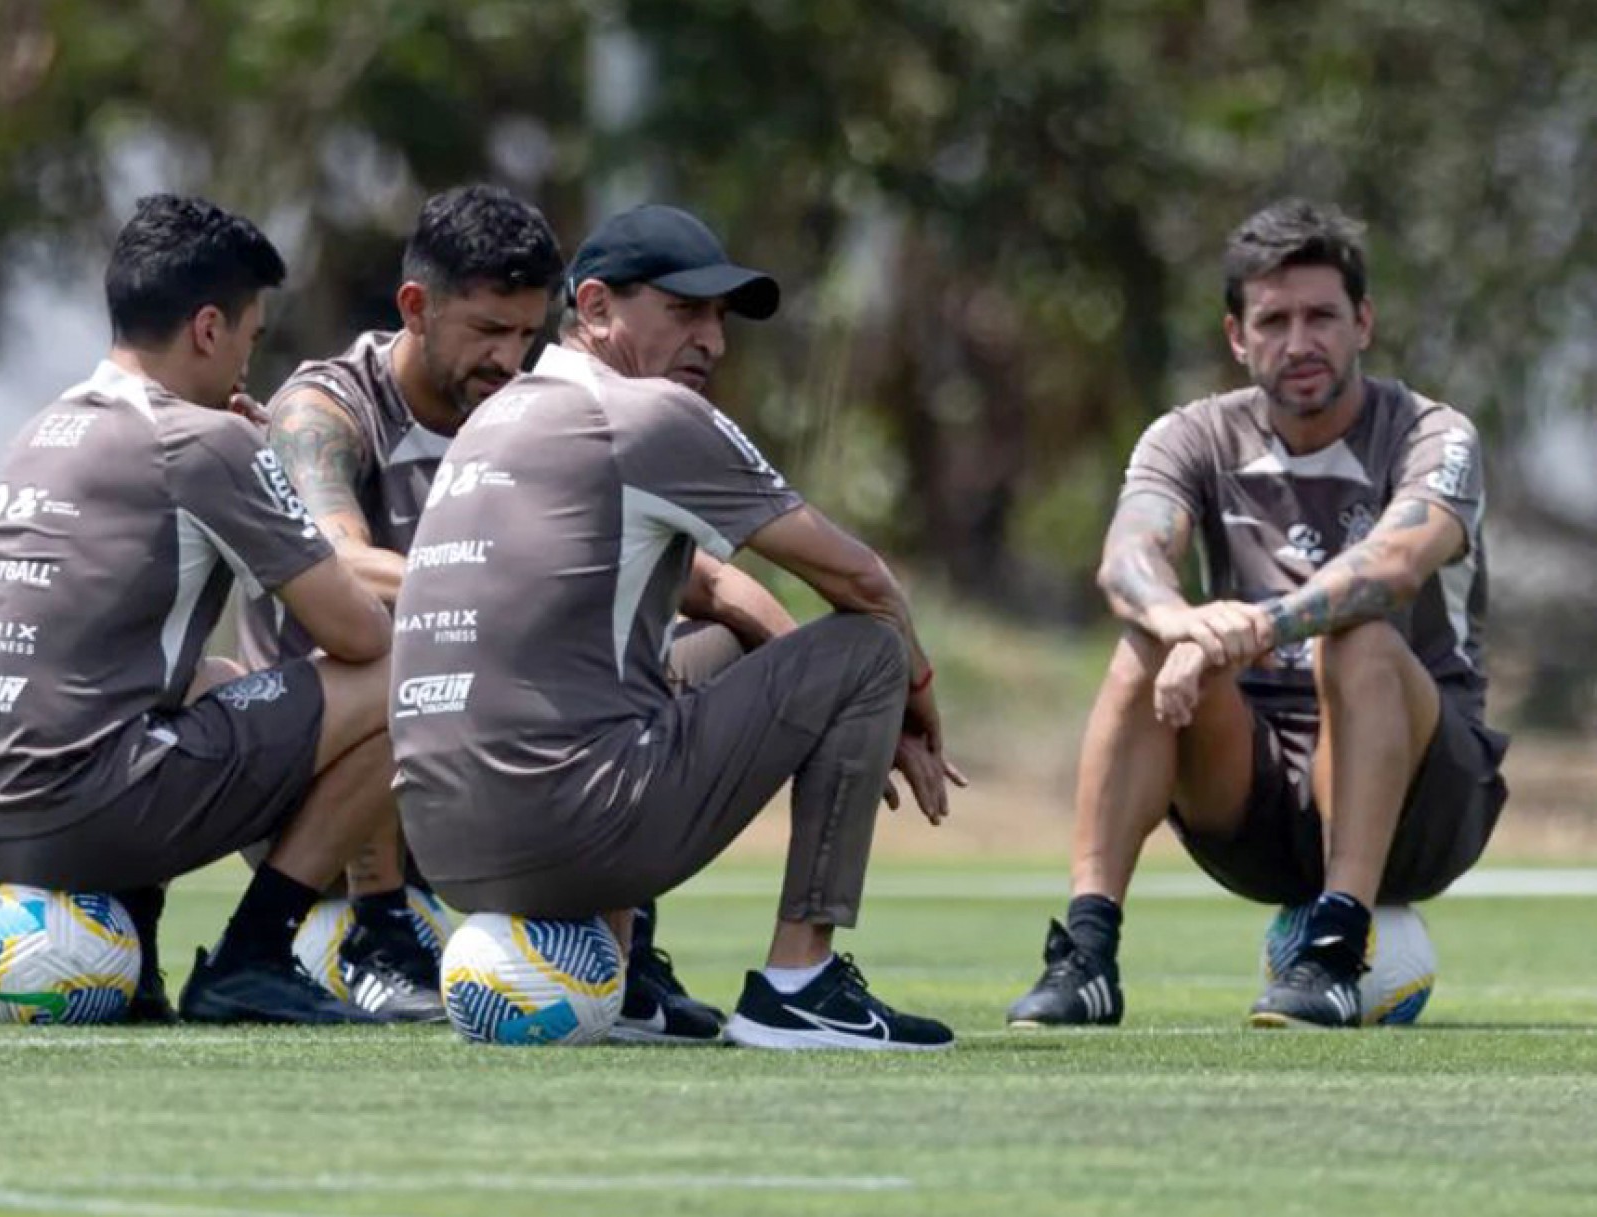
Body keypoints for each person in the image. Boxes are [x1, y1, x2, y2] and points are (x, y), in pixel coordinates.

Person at [390, 203, 966, 1051]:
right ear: (593, 308)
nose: (713, 341)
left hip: (438, 841)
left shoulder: (496, 418)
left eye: (720, 318)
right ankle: (798, 988)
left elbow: (718, 599)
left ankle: (618, 981)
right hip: (560, 830)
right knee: (869, 647)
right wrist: (910, 697)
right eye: (685, 311)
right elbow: (860, 578)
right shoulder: (646, 414)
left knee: (700, 647)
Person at [247, 187, 773, 1041]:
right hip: (337, 774)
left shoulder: (527, 415)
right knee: (419, 643)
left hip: (486, 779)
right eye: (486, 332)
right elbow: (333, 563)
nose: (507, 359)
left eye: (526, 335)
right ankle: (377, 929)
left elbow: (709, 582)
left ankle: (625, 949)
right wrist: (484, 594)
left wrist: (826, 678)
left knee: (694, 648)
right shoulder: (327, 409)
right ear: (415, 308)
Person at [1005, 199, 1508, 1030]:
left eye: (1321, 316)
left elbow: (1392, 568)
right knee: (1144, 642)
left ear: (1363, 324)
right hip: (1255, 796)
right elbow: (1128, 556)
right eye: (1273, 320)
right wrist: (1184, 627)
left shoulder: (1432, 432)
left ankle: (1336, 951)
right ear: (1237, 337)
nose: (1299, 341)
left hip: (1425, 797)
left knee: (1359, 636)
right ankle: (1086, 956)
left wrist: (1262, 623)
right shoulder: (1188, 436)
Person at [0, 194, 401, 1026]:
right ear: (209, 328)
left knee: (213, 675)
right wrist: (268, 470)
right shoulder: (202, 439)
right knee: (407, 675)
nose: (246, 371)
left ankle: (138, 952)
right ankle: (256, 953)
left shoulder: (43, 428)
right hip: (78, 813)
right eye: (252, 342)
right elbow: (358, 633)